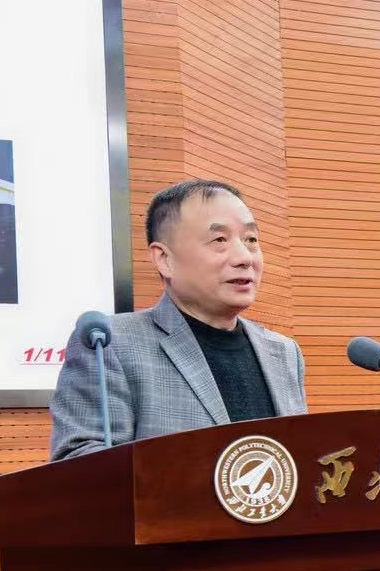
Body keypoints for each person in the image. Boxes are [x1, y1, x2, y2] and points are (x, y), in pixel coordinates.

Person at [49, 179, 306, 461]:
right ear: (165, 260)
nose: (245, 257)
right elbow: (79, 466)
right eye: (220, 240)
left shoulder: (283, 353)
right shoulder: (110, 345)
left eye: (251, 240)